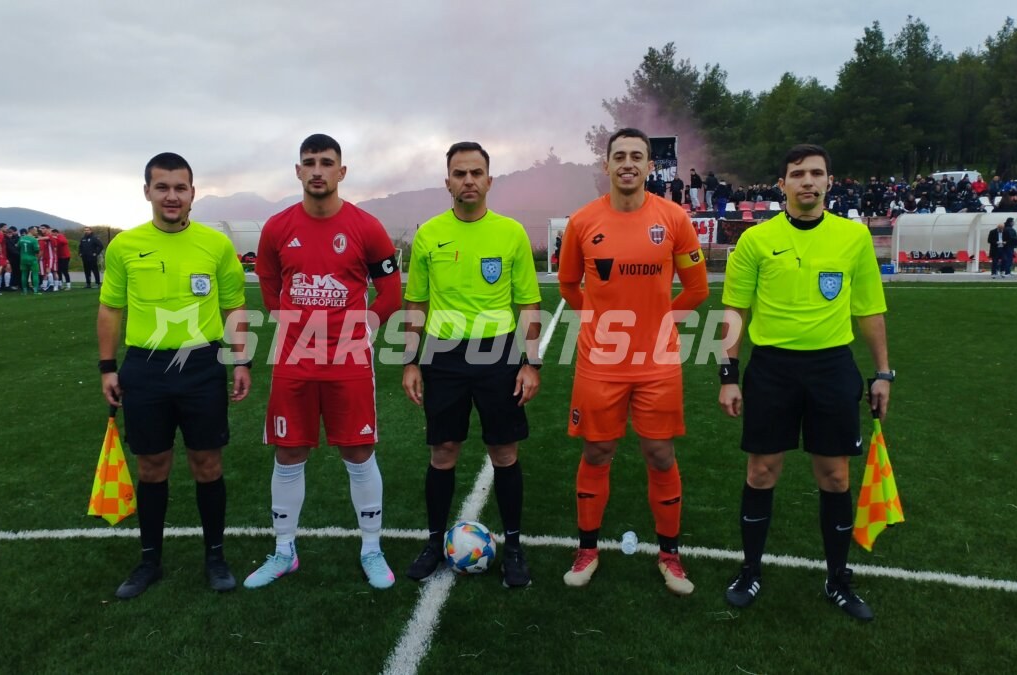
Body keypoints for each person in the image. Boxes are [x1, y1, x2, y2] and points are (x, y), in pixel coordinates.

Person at [718, 143, 892, 622]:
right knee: (761, 471)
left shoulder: (853, 237)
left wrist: (882, 373)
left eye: (816, 173)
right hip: (771, 369)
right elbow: (734, 310)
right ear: (782, 185)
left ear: (830, 181)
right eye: (798, 174)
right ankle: (750, 570)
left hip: (831, 368)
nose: (808, 181)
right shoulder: (755, 240)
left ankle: (837, 579)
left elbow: (870, 309)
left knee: (835, 475)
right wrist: (728, 375)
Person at [557, 128, 709, 593]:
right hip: (600, 362)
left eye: (637, 156)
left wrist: (661, 323)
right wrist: (600, 322)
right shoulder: (582, 222)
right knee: (596, 451)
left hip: (656, 363)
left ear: (649, 166)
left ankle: (670, 556)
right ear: (606, 165)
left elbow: (698, 288)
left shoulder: (674, 218)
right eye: (619, 156)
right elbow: (568, 285)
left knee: (660, 454)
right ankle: (587, 550)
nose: (627, 163)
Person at [249, 134, 402, 590]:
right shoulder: (277, 227)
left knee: (358, 451)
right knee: (288, 451)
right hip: (295, 359)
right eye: (309, 162)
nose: (318, 170)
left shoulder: (365, 226)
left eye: (327, 162)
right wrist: (290, 323)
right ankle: (284, 551)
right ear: (298, 171)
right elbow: (268, 282)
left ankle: (371, 548)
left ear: (342, 171)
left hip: (348, 360)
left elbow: (390, 291)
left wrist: (367, 325)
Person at [98, 152, 250, 600]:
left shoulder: (215, 245)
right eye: (162, 187)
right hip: (145, 369)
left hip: (202, 367)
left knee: (208, 464)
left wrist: (242, 361)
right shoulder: (125, 246)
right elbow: (110, 309)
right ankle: (149, 561)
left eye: (180, 188)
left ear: (192, 194)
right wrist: (107, 367)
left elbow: (234, 307)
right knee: (152, 466)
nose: (171, 196)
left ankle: (215, 557)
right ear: (147, 191)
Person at [401, 141, 542, 588]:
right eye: (459, 174)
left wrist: (532, 363)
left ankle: (514, 547)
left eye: (476, 173)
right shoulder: (429, 234)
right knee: (443, 451)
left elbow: (529, 303)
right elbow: (416, 302)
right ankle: (433, 542)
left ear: (489, 180)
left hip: (498, 354)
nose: (468, 181)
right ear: (447, 182)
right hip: (443, 356)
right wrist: (410, 361)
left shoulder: (510, 233)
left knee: (504, 452)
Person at [18, 227, 40, 294]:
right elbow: (37, 250)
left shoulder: (21, 238)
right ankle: (35, 291)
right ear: (31, 230)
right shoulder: (34, 240)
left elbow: (18, 246)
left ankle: (25, 291)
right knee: (35, 274)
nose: (37, 232)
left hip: (23, 258)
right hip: (32, 258)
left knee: (24, 274)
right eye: (36, 231)